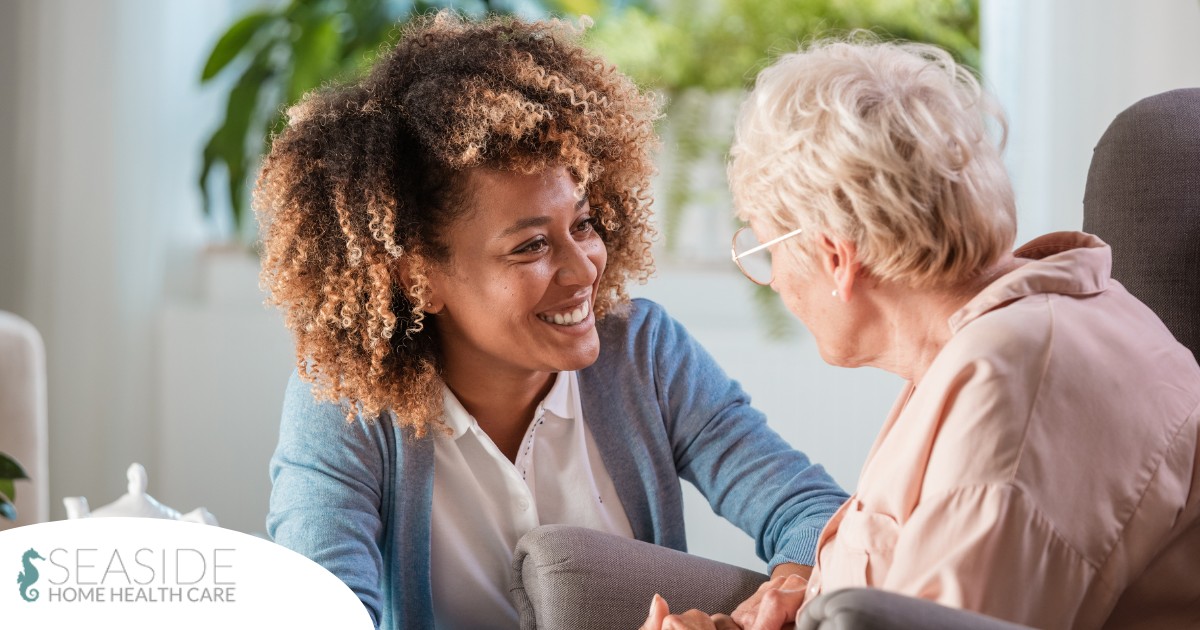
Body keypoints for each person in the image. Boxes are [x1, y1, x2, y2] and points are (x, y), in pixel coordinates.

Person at [256, 12, 848, 630]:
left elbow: (813, 513)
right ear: (418, 278)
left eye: (583, 225)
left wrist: (781, 596)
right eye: (531, 246)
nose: (584, 268)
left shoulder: (644, 354)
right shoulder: (347, 403)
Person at [645, 37, 1200, 630]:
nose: (773, 281)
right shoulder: (989, 345)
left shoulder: (1012, 386)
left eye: (765, 248)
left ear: (836, 257)